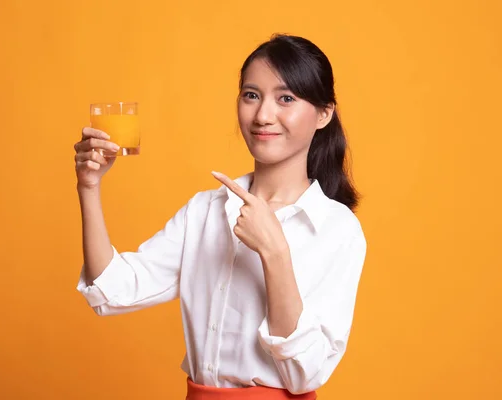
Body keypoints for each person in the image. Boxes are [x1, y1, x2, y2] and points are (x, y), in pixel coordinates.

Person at [74, 34, 367, 400]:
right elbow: (111, 291)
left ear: (324, 114)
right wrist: (89, 187)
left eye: (286, 99)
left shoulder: (336, 230)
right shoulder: (206, 211)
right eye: (251, 95)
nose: (262, 115)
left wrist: (274, 253)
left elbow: (304, 375)